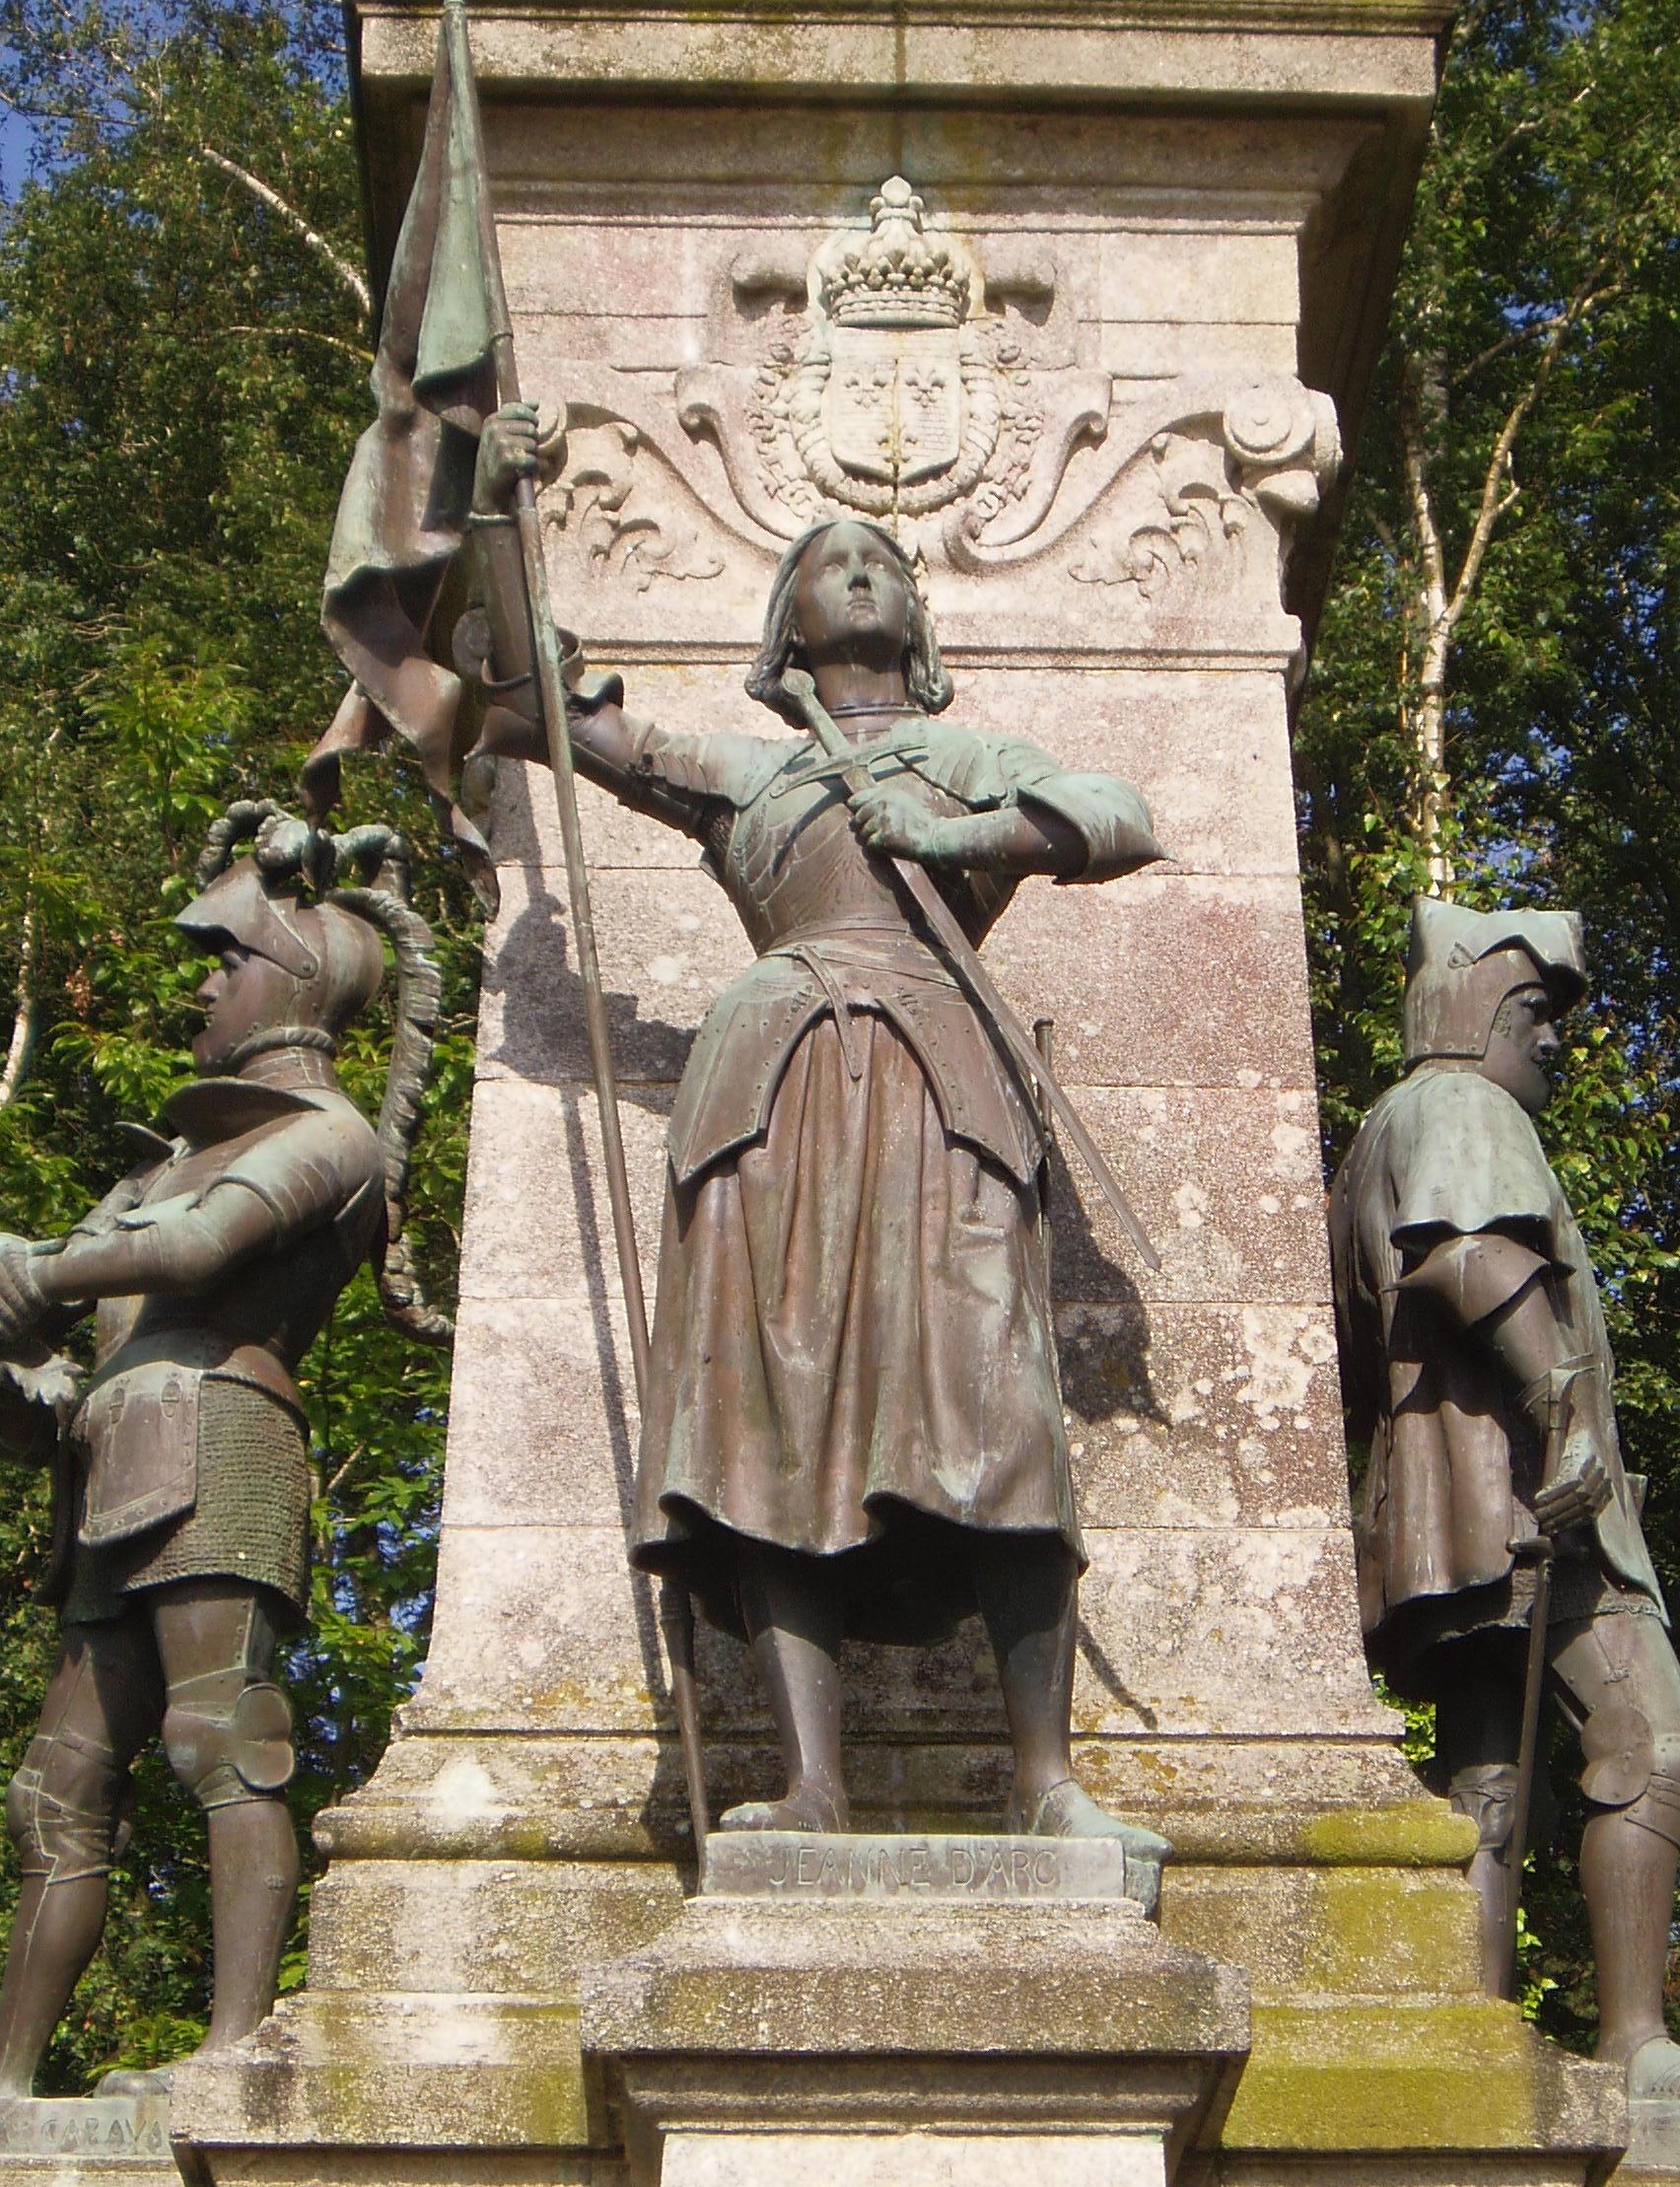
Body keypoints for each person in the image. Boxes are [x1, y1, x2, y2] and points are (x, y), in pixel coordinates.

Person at [470, 404, 1169, 1868]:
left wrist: (965, 836)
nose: (857, 569)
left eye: (880, 559)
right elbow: (541, 701)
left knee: (1000, 1404)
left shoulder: (972, 753)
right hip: (774, 1090)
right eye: (826, 558)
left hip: (944, 1083)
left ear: (913, 620)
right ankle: (812, 1785)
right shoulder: (751, 770)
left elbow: (1119, 813)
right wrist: (499, 513)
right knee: (770, 1411)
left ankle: (1045, 1779)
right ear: (786, 623)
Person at [0, 807, 443, 2097]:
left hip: (223, 1436)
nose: (201, 981)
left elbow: (192, 1256)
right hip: (113, 1461)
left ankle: (234, 2052)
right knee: (57, 1787)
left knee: (222, 1736)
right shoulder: (160, 1169)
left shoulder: (328, 1137)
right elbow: (69, 1338)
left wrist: (34, 1269)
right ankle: (12, 2092)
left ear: (283, 981)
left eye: (221, 958)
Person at [1330, 895, 1680, 2106]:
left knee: (1490, 1766)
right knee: (1652, 1735)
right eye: (1534, 1012)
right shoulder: (1461, 1105)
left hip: (1448, 1511)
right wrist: (1566, 1407)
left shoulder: (1383, 1124)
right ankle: (1637, 2044)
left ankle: (1475, 2038)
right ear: (1481, 1010)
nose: (1550, 1042)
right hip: (1533, 1496)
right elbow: (1467, 1252)